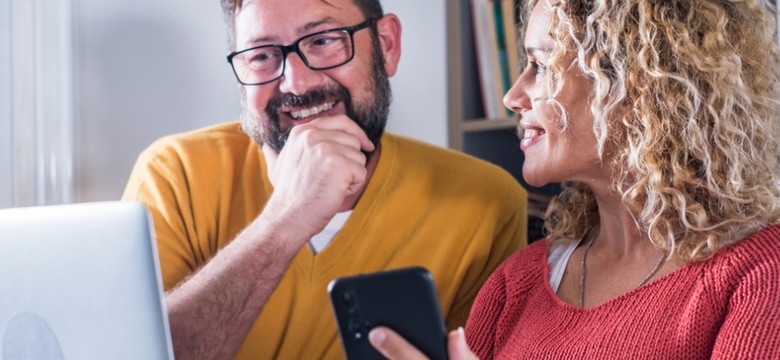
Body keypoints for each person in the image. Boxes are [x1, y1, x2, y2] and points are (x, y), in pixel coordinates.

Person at [369, 0, 780, 358]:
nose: (513, 96)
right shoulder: (517, 283)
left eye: (540, 66)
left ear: (637, 83)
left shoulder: (760, 274)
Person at [121, 0, 528, 359]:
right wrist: (285, 218)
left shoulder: (486, 201)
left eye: (323, 40)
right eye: (261, 55)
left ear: (386, 45)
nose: (296, 82)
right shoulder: (175, 173)